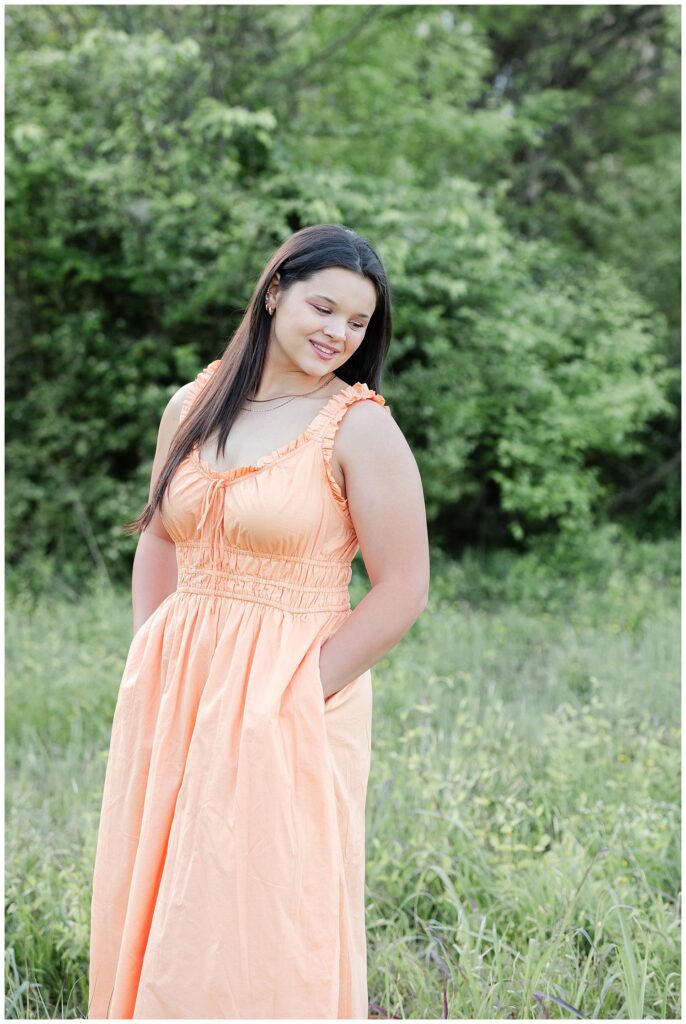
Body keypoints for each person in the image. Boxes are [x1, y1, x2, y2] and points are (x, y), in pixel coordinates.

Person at [88, 223, 430, 1019]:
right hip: (177, 682)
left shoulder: (359, 426)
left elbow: (403, 587)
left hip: (287, 694)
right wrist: (150, 650)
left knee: (263, 904)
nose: (338, 334)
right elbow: (162, 536)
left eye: (357, 323)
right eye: (324, 307)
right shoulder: (193, 405)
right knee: (166, 884)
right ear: (275, 291)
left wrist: (300, 695)